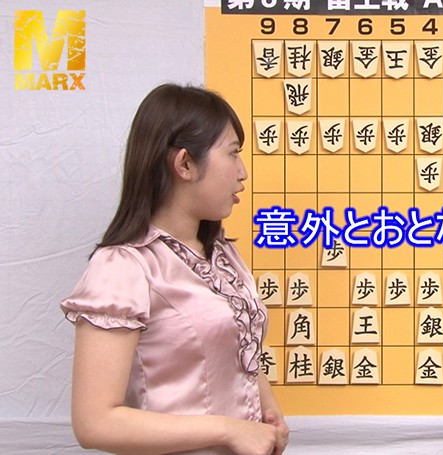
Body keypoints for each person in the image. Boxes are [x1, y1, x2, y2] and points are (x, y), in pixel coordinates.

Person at [60, 83, 289, 455]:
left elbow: (235, 343)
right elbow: (94, 423)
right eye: (233, 154)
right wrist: (228, 430)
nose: (242, 172)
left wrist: (267, 408)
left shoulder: (221, 254)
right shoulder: (124, 268)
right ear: (184, 164)